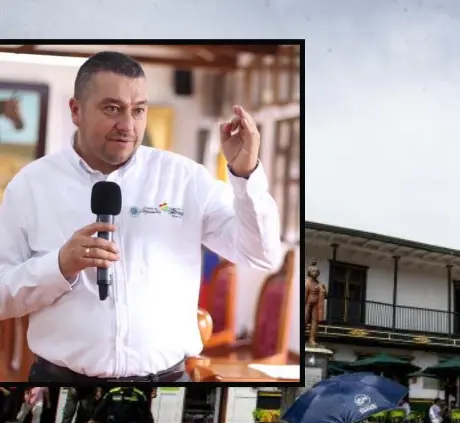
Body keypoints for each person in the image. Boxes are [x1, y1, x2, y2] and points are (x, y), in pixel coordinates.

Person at [0, 51, 282, 382]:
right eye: (112, 108)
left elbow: (261, 254)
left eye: (138, 110)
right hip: (60, 384)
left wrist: (245, 174)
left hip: (167, 385)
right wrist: (58, 266)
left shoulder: (185, 179)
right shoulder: (31, 186)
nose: (127, 125)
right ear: (76, 111)